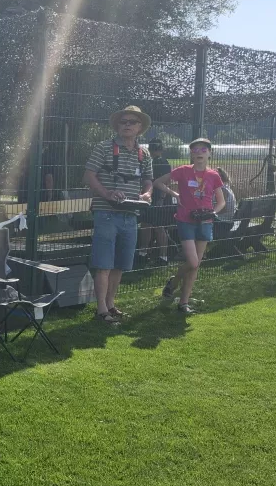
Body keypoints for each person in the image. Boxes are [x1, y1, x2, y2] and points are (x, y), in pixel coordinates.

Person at [82, 106, 154, 324]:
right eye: (124, 121)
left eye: (132, 122)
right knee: (104, 263)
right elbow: (88, 176)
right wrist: (108, 193)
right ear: (118, 125)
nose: (128, 125)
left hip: (131, 214)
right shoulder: (104, 148)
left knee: (121, 264)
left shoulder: (145, 153)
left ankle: (111, 304)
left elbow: (149, 180)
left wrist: (147, 194)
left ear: (140, 127)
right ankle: (101, 308)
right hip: (106, 212)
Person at [155, 139, 226, 314]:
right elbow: (158, 182)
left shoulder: (214, 175)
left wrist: (213, 213)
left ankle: (183, 303)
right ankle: (174, 282)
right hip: (185, 220)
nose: (199, 152)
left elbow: (221, 202)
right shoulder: (183, 171)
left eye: (203, 149)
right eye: (195, 149)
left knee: (195, 264)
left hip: (205, 222)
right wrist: (174, 193)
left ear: (209, 153)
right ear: (191, 154)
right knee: (193, 262)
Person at [137, 137, 174, 265]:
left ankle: (161, 256)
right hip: (150, 196)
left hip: (158, 198)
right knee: (148, 225)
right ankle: (145, 253)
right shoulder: (149, 161)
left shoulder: (162, 162)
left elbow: (166, 183)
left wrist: (161, 199)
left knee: (155, 227)